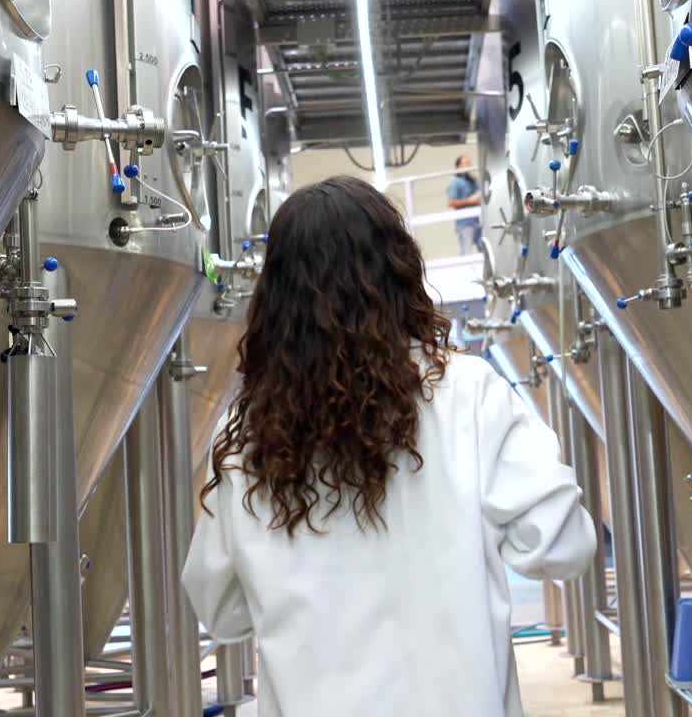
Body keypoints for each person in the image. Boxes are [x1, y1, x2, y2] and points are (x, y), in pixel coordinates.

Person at [182, 175, 596, 717]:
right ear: (399, 270)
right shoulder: (469, 393)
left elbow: (222, 611)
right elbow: (563, 546)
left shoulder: (250, 433)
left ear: (275, 296)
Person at [447, 155, 483, 254]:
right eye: (465, 163)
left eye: (469, 163)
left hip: (478, 221)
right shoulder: (456, 182)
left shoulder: (474, 181)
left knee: (484, 248)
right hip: (465, 224)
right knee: (466, 252)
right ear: (459, 167)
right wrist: (470, 201)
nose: (469, 165)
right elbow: (451, 202)